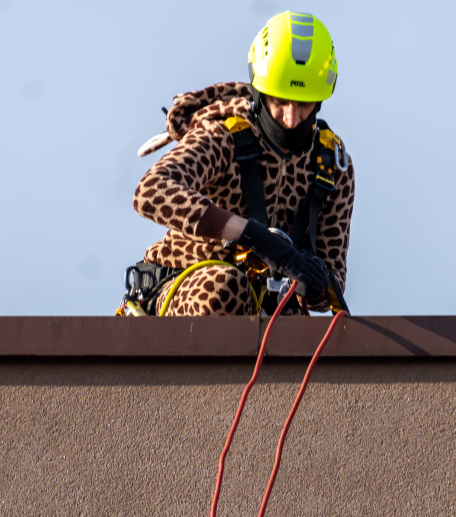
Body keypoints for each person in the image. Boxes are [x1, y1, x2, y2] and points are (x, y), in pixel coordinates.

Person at [123, 10, 354, 316]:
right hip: (187, 289)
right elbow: (151, 191)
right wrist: (252, 235)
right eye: (279, 101)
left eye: (303, 104)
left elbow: (333, 282)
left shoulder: (332, 167)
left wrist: (314, 282)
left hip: (269, 312)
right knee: (226, 287)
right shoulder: (224, 135)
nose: (290, 117)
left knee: (307, 329)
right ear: (259, 92)